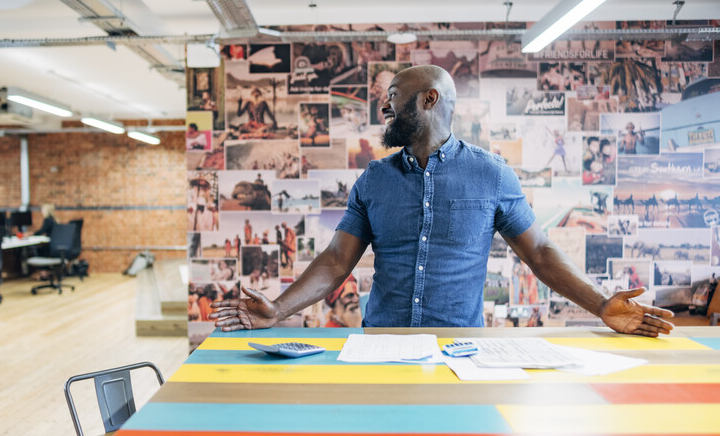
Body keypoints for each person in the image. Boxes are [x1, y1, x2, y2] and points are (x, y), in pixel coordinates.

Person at [210, 65, 674, 338]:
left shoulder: (492, 174)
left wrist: (599, 305)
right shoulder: (374, 178)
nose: (384, 109)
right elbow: (335, 260)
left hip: (461, 352)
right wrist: (277, 308)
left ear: (429, 99)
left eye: (393, 98)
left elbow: (540, 252)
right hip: (381, 346)